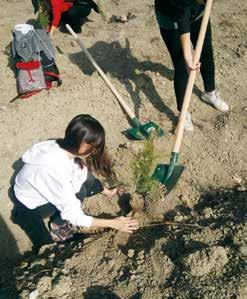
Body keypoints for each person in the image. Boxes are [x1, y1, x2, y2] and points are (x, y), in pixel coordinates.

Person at [11, 114, 139, 252]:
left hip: (36, 187)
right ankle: (57, 227)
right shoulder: (55, 171)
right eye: (94, 147)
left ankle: (59, 220)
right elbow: (74, 216)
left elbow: (84, 175)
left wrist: (107, 191)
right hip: (29, 206)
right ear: (83, 144)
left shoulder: (60, 145)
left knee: (84, 180)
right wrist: (114, 223)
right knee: (47, 247)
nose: (95, 151)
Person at [154, 0, 229, 131]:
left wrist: (204, 3)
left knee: (206, 51)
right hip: (171, 18)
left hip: (197, 11)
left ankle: (209, 93)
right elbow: (182, 22)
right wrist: (189, 59)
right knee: (182, 64)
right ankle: (184, 113)